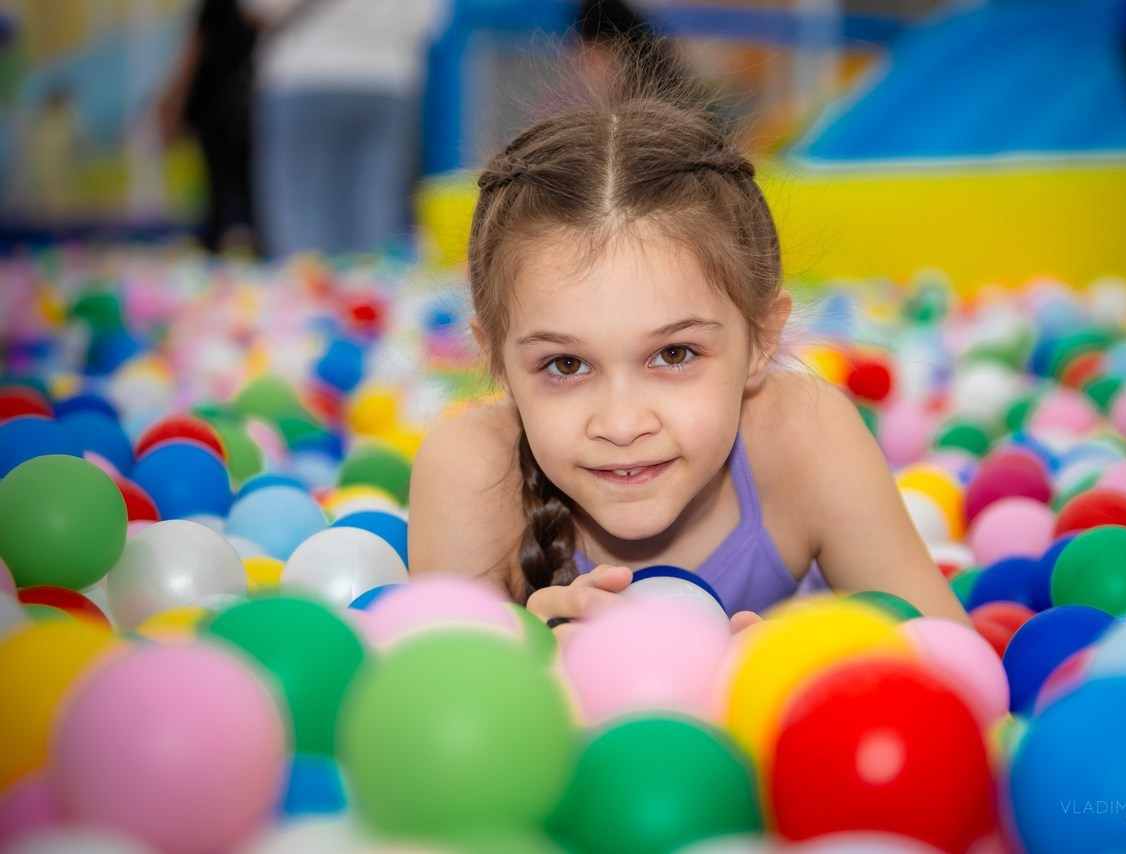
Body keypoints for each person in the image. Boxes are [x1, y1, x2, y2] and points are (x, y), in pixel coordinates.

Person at [407, 79, 968, 633]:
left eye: (674, 353)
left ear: (762, 339)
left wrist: (767, 679)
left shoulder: (807, 435)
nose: (622, 424)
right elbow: (431, 712)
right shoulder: (474, 474)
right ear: (498, 363)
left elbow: (951, 665)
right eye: (566, 365)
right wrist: (539, 667)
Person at [239, 0, 450, 259]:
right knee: (374, 212)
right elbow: (434, 20)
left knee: (300, 218)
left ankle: (307, 293)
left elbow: (262, 9)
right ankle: (369, 293)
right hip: (389, 77)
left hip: (303, 74)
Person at [155, 0, 260, 254]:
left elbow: (193, 51)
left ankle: (222, 248)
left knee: (227, 190)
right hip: (229, 106)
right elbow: (194, 49)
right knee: (232, 189)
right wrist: (173, 104)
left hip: (228, 105)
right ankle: (226, 249)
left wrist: (173, 103)